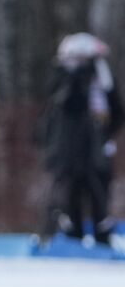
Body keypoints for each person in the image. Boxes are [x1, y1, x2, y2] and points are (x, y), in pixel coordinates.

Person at [37, 33, 121, 243]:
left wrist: (104, 136)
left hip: (96, 152)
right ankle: (69, 234)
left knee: (99, 193)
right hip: (66, 152)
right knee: (66, 194)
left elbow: (117, 112)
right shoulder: (61, 80)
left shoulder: (104, 81)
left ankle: (103, 236)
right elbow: (62, 107)